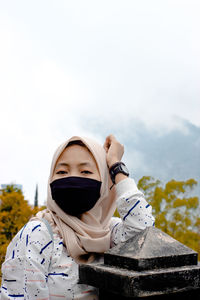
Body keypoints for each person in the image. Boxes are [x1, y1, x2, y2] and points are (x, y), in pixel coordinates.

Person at [0, 134, 155, 299]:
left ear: (104, 180)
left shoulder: (107, 231)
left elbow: (143, 232)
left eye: (86, 171)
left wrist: (116, 166)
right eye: (61, 171)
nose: (72, 179)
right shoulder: (38, 235)